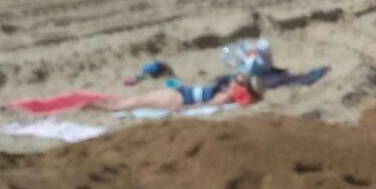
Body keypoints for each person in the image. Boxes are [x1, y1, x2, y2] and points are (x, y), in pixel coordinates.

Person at [92, 73, 262, 112]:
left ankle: (102, 107)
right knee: (138, 100)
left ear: (242, 88)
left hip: (177, 98)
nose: (233, 81)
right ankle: (104, 105)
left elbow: (206, 105)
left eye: (238, 82)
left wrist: (182, 109)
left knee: (137, 102)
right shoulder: (226, 91)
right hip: (178, 93)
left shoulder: (225, 97)